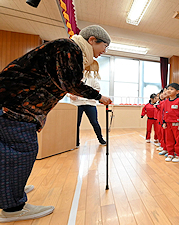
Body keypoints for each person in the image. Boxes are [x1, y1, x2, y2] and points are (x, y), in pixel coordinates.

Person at [0, 25, 112, 222]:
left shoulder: (70, 51)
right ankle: (13, 207)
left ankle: (8, 190)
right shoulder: (68, 48)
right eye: (104, 46)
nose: (104, 51)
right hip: (15, 106)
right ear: (92, 40)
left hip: (12, 104)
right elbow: (70, 83)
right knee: (21, 150)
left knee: (9, 152)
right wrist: (99, 96)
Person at [70, 68, 106, 147]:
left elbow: (97, 89)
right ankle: (76, 142)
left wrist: (88, 95)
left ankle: (101, 139)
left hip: (90, 104)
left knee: (94, 122)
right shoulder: (73, 79)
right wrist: (70, 95)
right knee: (76, 124)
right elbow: (67, 90)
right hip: (77, 104)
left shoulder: (91, 79)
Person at [162, 83, 179, 162]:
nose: (169, 90)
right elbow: (164, 112)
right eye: (168, 89)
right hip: (168, 123)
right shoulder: (166, 102)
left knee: (178, 140)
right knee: (169, 140)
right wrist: (164, 122)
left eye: (172, 89)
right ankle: (170, 154)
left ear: (177, 92)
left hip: (176, 124)